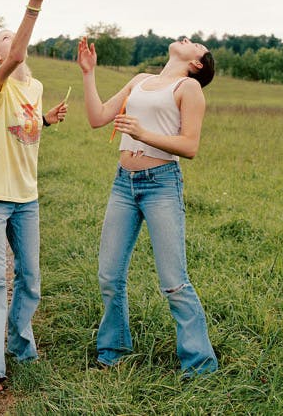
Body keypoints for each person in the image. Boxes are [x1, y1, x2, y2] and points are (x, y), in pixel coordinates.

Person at [77, 36, 218, 378]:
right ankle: (112, 349)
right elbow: (98, 118)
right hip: (123, 183)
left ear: (197, 63)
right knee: (109, 275)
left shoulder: (188, 88)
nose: (189, 39)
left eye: (196, 43)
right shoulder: (139, 80)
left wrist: (142, 134)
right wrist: (88, 73)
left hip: (161, 185)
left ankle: (200, 364)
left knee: (173, 281)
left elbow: (190, 145)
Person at [0, 0, 68, 393]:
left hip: (26, 198)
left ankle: (19, 342)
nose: (14, 44)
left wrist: (45, 120)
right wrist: (34, 7)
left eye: (16, 37)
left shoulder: (38, 87)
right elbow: (15, 60)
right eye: (5, 41)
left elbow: (25, 131)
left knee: (30, 279)